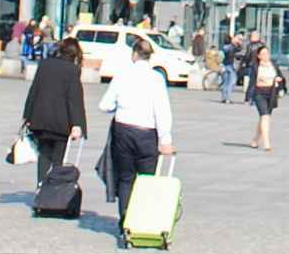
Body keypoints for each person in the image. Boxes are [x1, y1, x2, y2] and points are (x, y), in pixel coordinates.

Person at [99, 33, 176, 209]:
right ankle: (141, 220)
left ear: (134, 54)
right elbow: (162, 111)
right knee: (146, 180)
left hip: (123, 130)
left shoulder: (122, 75)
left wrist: (119, 106)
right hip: (147, 133)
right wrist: (166, 140)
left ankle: (124, 221)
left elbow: (104, 105)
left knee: (126, 178)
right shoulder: (156, 78)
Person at [20, 36, 88, 192]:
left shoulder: (45, 64)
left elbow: (34, 90)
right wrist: (77, 125)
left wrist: (27, 116)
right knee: (58, 159)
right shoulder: (73, 70)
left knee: (43, 155)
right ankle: (53, 190)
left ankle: (40, 186)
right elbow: (74, 99)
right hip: (61, 124)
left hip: (40, 119)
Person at [248, 41, 287, 152]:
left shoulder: (273, 65)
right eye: (263, 54)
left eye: (267, 53)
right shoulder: (256, 67)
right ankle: (267, 143)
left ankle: (255, 140)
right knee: (265, 116)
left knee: (263, 118)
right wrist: (248, 96)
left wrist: (279, 80)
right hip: (259, 93)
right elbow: (252, 82)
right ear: (259, 56)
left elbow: (280, 76)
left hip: (271, 93)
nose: (266, 56)